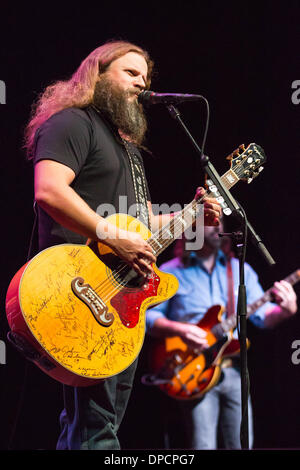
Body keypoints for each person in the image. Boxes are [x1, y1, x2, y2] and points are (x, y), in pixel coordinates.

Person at [23, 40, 221, 450]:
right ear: (98, 73)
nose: (141, 85)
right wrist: (112, 235)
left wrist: (192, 216)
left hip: (121, 300)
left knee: (97, 425)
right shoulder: (73, 123)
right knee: (95, 428)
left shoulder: (129, 147)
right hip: (80, 291)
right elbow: (48, 191)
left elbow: (144, 224)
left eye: (146, 78)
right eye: (131, 73)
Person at [146, 220, 298, 449]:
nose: (217, 227)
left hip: (234, 372)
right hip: (191, 370)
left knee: (242, 444)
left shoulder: (240, 270)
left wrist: (286, 311)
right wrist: (181, 329)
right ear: (191, 229)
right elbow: (147, 318)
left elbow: (265, 317)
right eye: (209, 222)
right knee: (203, 445)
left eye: (220, 222)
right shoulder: (169, 272)